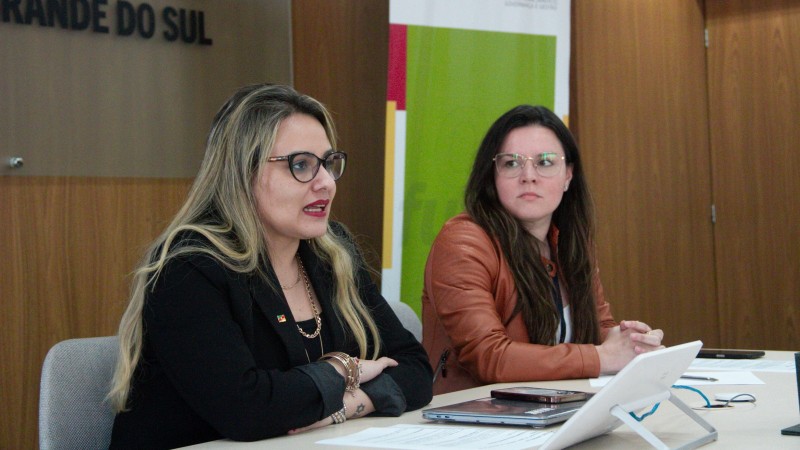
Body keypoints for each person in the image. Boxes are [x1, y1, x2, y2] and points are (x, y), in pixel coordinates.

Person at [107, 84, 433, 448]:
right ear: (242, 174)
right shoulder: (188, 267)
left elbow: (416, 370)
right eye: (301, 165)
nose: (326, 183)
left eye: (328, 163)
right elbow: (248, 410)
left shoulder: (332, 252)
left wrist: (349, 404)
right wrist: (346, 369)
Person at [422, 105, 664, 395]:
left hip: (555, 406)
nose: (528, 175)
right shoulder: (463, 243)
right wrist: (604, 357)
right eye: (511, 163)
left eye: (546, 162)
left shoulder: (570, 240)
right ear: (492, 175)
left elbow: (596, 327)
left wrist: (628, 341)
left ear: (568, 176)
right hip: (473, 418)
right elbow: (488, 357)